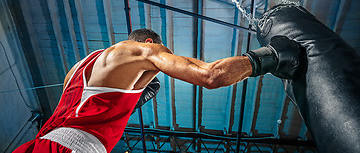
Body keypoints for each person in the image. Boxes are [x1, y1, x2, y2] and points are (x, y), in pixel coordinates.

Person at [13, 28, 300, 153]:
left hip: (36, 145)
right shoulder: (146, 51)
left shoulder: (78, 68)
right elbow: (211, 75)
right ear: (150, 42)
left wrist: (130, 102)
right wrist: (269, 58)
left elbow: (83, 113)